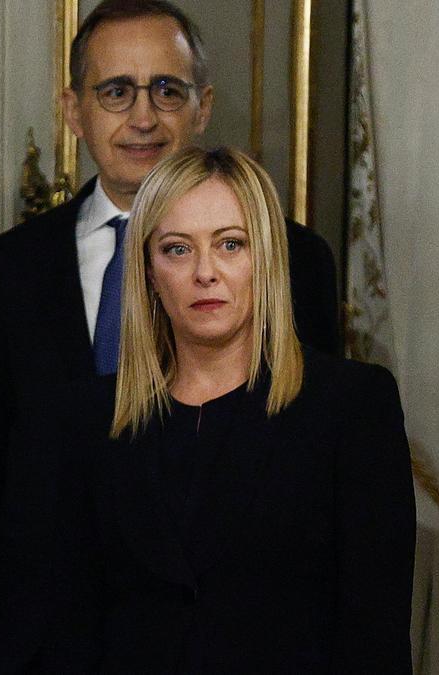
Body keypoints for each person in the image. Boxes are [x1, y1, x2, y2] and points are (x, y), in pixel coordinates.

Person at [0, 1, 340, 669]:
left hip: (233, 633)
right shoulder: (15, 265)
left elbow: (319, 469)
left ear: (202, 105)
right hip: (49, 633)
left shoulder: (293, 258)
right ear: (75, 111)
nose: (143, 116)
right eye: (116, 91)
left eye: (168, 89)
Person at [56, 145, 414, 672]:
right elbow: (69, 625)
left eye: (230, 244)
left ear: (265, 260)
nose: (206, 272)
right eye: (177, 249)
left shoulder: (352, 407)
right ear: (149, 271)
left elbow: (374, 634)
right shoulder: (91, 421)